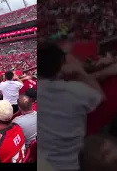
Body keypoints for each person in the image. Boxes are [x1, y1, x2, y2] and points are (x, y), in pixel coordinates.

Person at [37, 42, 104, 171]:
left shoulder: (35, 92)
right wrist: (80, 72)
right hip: (70, 165)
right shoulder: (77, 91)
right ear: (61, 65)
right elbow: (100, 96)